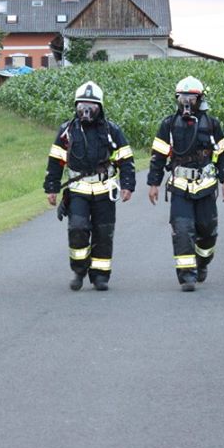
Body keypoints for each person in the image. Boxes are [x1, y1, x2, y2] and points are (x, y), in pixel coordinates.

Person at [44, 81, 136, 291]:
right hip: (78, 190)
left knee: (104, 233)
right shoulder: (67, 131)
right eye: (82, 105)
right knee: (77, 229)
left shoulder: (111, 130)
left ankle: (100, 276)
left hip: (105, 190)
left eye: (91, 106)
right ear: (76, 107)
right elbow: (55, 160)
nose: (86, 110)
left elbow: (126, 158)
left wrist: (127, 185)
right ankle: (79, 270)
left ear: (100, 107)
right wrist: (51, 188)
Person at [147, 76, 224, 292]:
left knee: (207, 231)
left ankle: (202, 263)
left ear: (200, 99)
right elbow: (158, 157)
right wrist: (154, 184)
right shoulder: (168, 125)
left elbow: (222, 155)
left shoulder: (212, 124)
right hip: (180, 187)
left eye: (191, 99)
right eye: (182, 98)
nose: (186, 103)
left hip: (205, 187)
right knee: (182, 230)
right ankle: (187, 276)